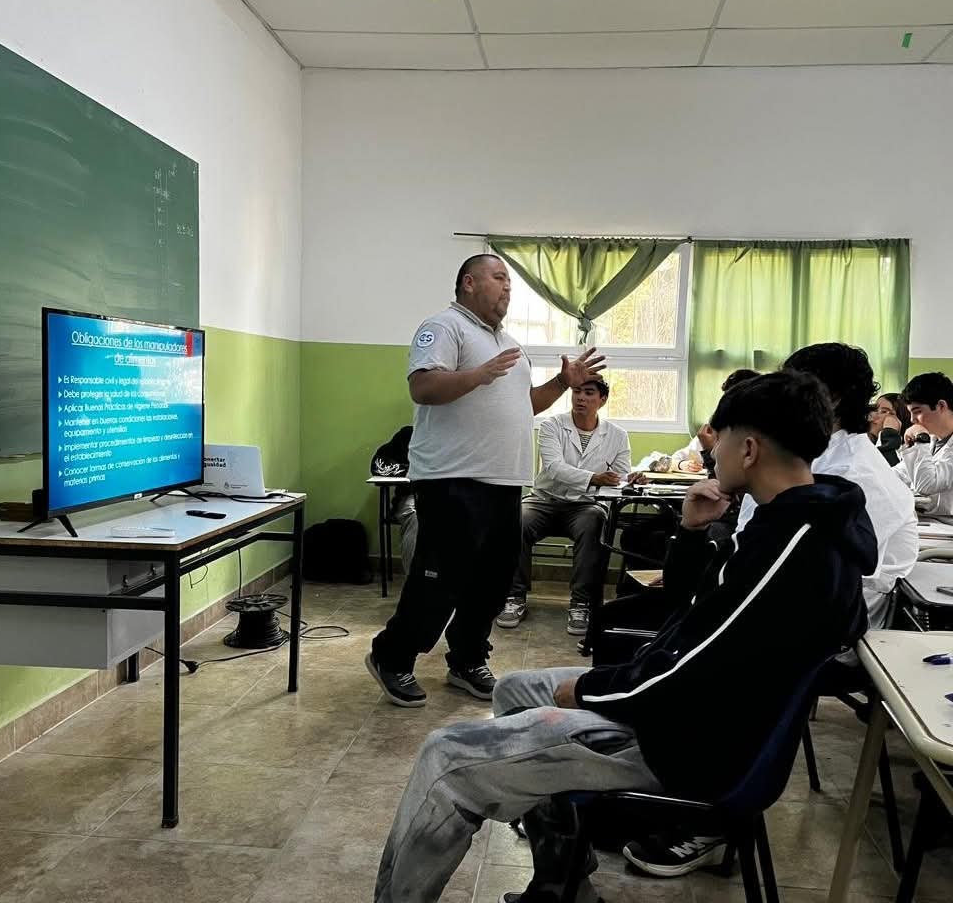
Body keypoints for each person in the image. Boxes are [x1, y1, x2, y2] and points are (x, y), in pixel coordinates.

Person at [373, 371, 875, 903]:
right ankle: (562, 883)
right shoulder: (802, 518)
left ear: (748, 449)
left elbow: (695, 664)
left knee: (445, 756)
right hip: (690, 710)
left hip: (688, 743)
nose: (714, 452)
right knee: (513, 691)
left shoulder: (794, 545)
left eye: (720, 439)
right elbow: (696, 617)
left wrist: (593, 691)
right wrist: (691, 534)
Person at [367, 254, 605, 708]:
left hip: (502, 481)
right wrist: (478, 375)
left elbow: (524, 406)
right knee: (441, 578)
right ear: (469, 282)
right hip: (452, 477)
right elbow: (423, 387)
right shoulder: (444, 326)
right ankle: (392, 656)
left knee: (493, 579)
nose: (507, 289)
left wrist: (561, 381)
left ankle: (467, 658)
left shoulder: (509, 345)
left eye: (510, 284)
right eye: (499, 278)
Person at [735, 344, 916, 630]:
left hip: (821, 635)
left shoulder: (851, 473)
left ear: (831, 399)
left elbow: (798, 572)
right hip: (782, 606)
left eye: (790, 388)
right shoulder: (815, 453)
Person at [496, 378, 631, 635]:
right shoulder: (552, 425)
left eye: (589, 393)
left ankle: (580, 603)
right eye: (577, 391)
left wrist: (630, 479)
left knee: (595, 523)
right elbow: (554, 468)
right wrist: (594, 477)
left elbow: (620, 475)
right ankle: (514, 598)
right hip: (544, 500)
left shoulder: (617, 435)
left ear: (602, 400)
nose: (580, 397)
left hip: (585, 505)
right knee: (517, 519)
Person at [668, 369, 761, 475]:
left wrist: (709, 451)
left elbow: (727, 484)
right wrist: (682, 464)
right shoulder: (717, 429)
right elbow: (677, 458)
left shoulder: (758, 436)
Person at [893, 372, 953, 520]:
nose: (913, 420)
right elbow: (898, 475)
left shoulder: (925, 440)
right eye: (910, 413)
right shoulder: (933, 440)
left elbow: (926, 485)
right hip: (930, 522)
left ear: (941, 405)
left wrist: (921, 441)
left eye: (917, 412)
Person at [371, 425, 418, 575]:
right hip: (414, 498)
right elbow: (378, 466)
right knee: (417, 516)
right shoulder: (410, 434)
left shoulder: (461, 438)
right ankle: (415, 581)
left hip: (451, 498)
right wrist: (414, 470)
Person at [868, 393, 910, 467]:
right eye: (874, 409)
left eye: (883, 411)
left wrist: (890, 433)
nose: (872, 416)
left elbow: (889, 473)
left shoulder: (908, 456)